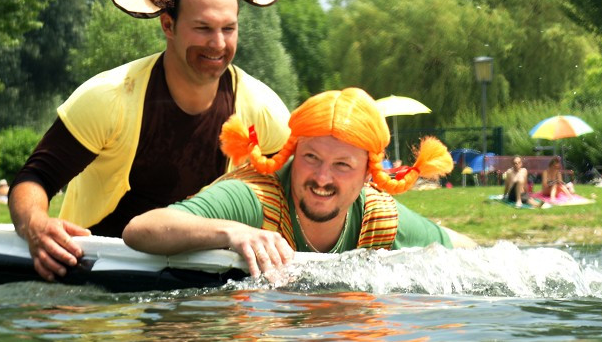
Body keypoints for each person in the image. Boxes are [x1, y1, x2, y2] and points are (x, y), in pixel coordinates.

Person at [9, 0, 291, 281]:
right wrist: (36, 226)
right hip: (94, 283)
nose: (218, 43)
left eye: (228, 29)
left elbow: (297, 192)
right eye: (203, 28)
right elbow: (34, 180)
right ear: (168, 26)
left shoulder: (263, 109)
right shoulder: (109, 98)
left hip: (207, 288)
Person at [123, 88, 477, 278]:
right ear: (294, 152)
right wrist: (233, 233)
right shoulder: (254, 198)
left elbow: (468, 250)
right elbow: (141, 229)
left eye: (342, 165)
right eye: (311, 158)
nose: (322, 178)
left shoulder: (379, 216)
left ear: (368, 176)